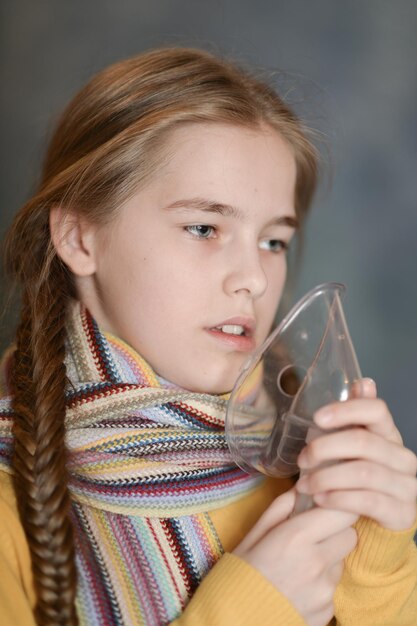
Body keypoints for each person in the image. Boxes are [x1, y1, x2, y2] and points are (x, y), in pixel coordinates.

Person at [0, 47, 416, 626]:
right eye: (204, 227)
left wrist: (380, 564)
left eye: (273, 241)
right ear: (79, 238)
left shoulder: (308, 469)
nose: (253, 278)